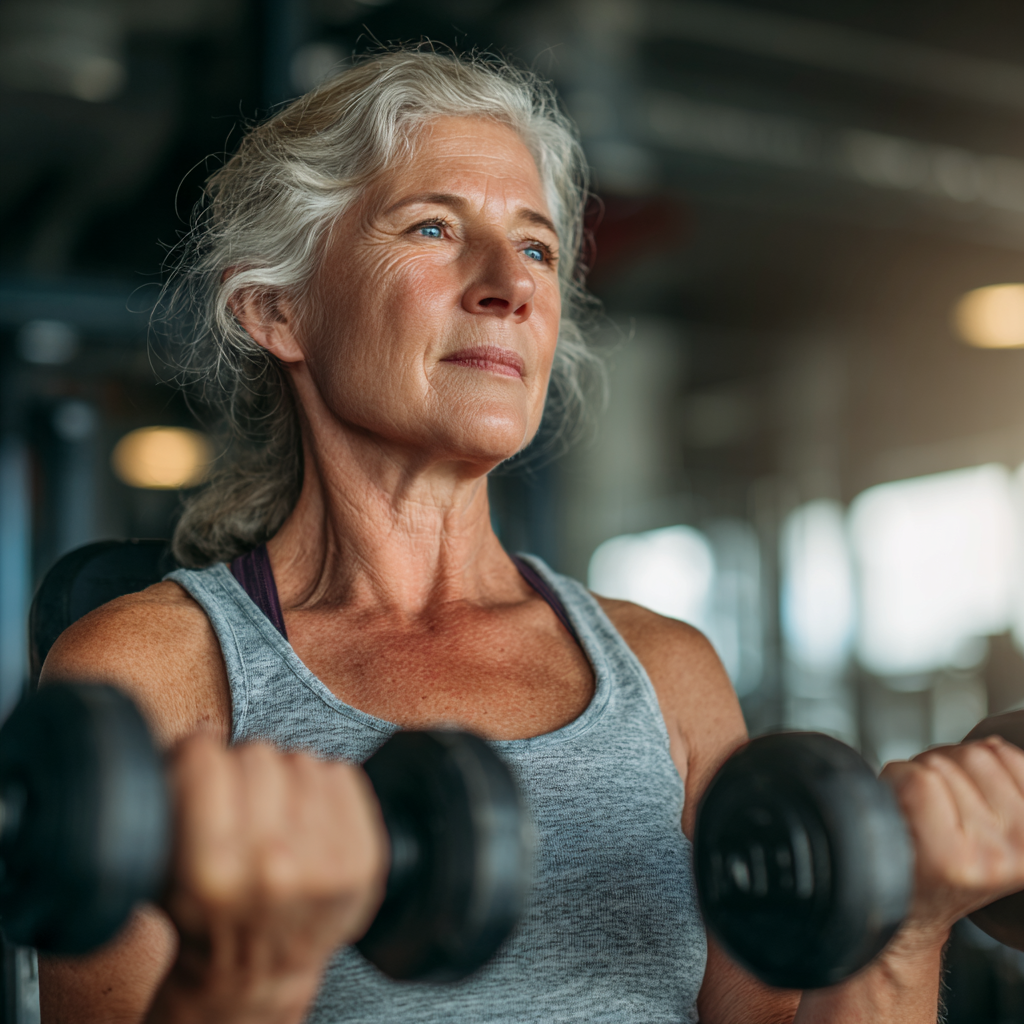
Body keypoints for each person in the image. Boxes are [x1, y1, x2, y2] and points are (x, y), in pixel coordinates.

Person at [39, 49, 1024, 1024]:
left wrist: (901, 928)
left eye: (538, 249)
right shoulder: (149, 676)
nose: (509, 284)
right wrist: (242, 972)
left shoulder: (668, 672)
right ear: (276, 309)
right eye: (433, 227)